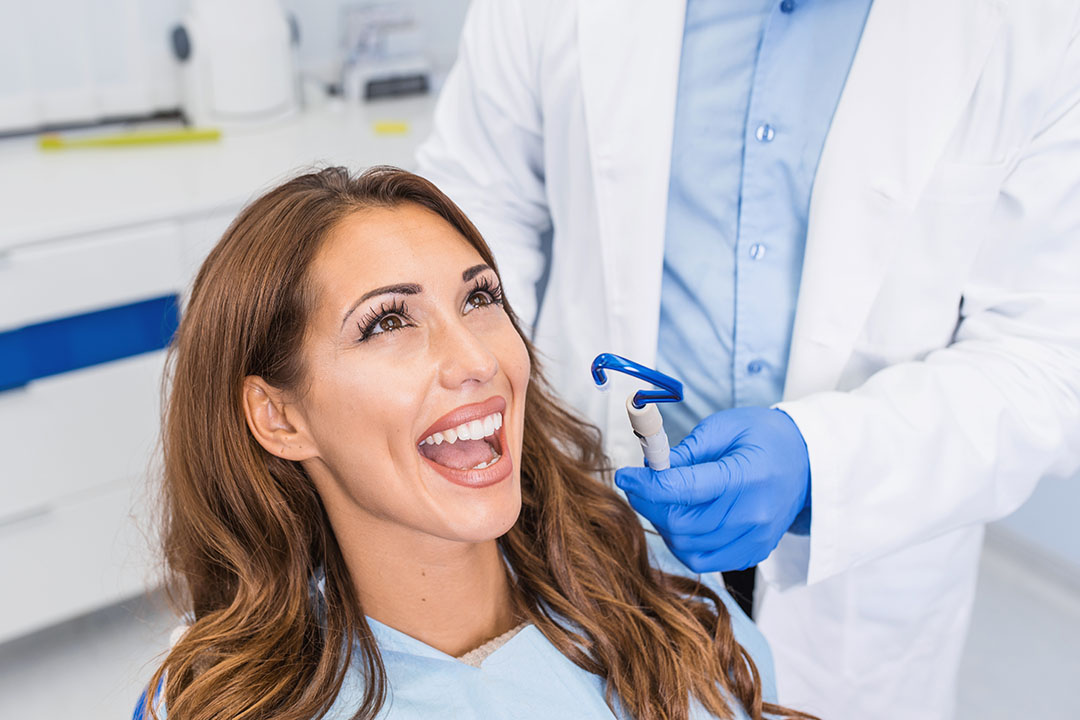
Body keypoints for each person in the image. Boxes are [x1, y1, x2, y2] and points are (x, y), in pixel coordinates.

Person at [415, 1, 1080, 717]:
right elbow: (474, 216)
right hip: (584, 505)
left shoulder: (1036, 25)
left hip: (861, 556)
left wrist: (820, 463)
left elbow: (1050, 356)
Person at [137, 166, 815, 720]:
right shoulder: (221, 704)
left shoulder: (659, 598)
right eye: (387, 322)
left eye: (480, 299)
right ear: (279, 417)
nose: (476, 360)